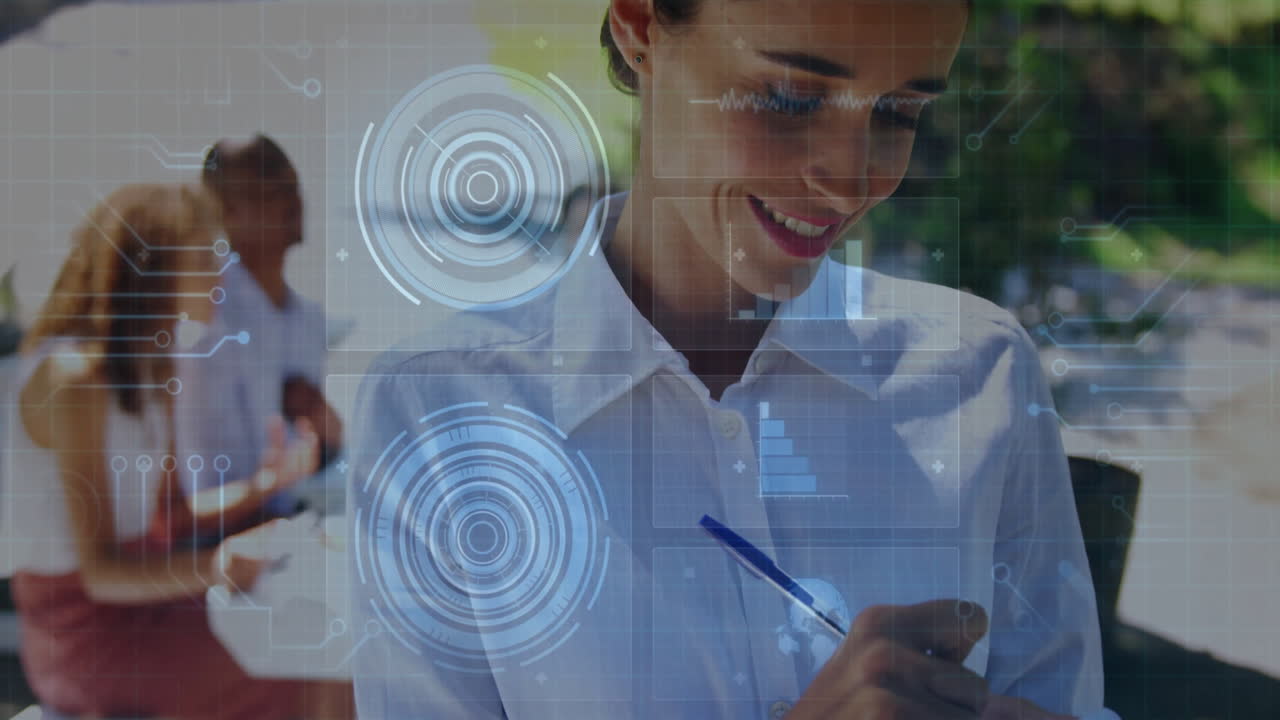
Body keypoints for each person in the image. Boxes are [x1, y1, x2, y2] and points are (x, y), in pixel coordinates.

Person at [349, 1, 1103, 719]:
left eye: (898, 112)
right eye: (787, 97)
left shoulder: (982, 374)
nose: (849, 177)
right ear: (640, 23)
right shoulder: (438, 414)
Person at [8, 183, 346, 719]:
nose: (220, 275)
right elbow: (99, 573)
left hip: (149, 607)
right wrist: (220, 564)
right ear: (151, 273)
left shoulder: (151, 370)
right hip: (83, 636)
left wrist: (264, 487)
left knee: (331, 639)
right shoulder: (73, 379)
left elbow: (167, 520)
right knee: (321, 670)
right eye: (203, 259)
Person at [177, 135, 341, 520]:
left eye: (293, 185)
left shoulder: (308, 318)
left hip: (288, 533)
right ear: (226, 211)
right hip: (217, 557)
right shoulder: (203, 322)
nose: (293, 201)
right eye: (272, 188)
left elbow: (310, 457)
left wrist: (330, 435)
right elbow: (187, 501)